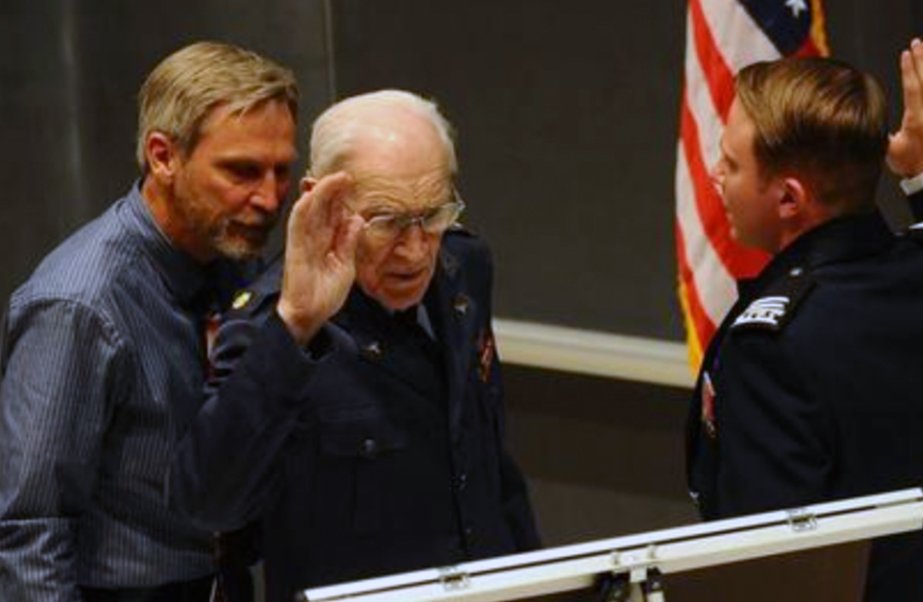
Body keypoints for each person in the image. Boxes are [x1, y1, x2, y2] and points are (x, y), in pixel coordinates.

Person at [685, 40, 923, 601]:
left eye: (731, 164)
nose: (715, 175)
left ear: (789, 199)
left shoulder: (771, 346)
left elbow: (770, 574)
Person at [167, 90, 541, 601]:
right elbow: (206, 503)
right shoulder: (275, 324)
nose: (415, 250)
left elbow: (489, 465)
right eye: (387, 221)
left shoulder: (464, 267)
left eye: (433, 214)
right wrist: (296, 325)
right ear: (321, 201)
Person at [0, 42, 298, 600]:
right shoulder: (79, 304)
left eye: (282, 170)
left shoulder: (234, 263)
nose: (269, 198)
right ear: (163, 157)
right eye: (241, 171)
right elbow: (31, 532)